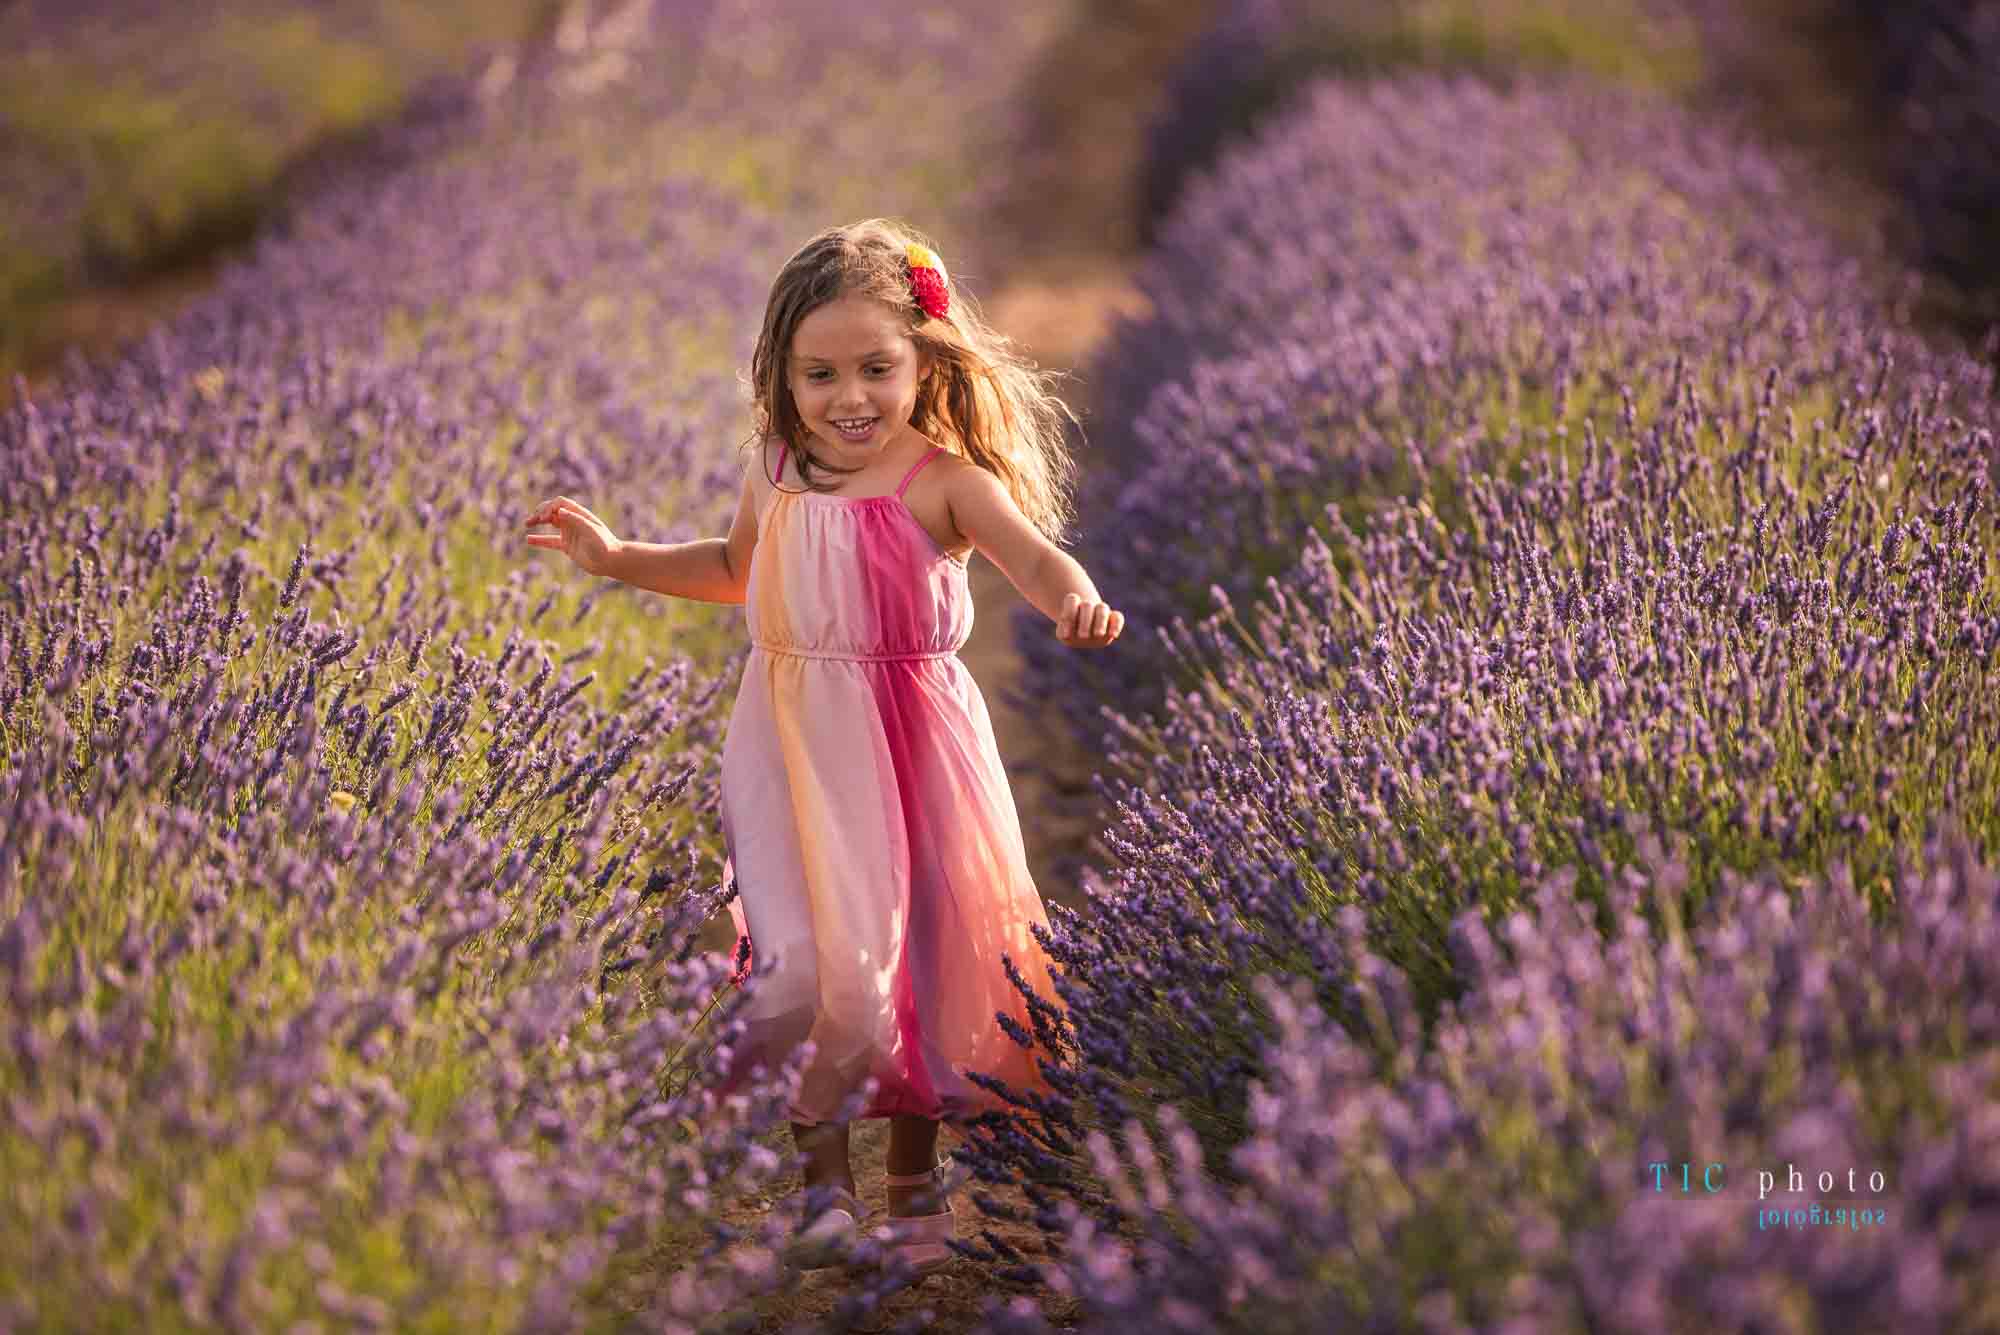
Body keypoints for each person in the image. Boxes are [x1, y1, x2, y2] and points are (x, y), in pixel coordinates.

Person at [522, 218, 1123, 1275]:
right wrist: (615, 557)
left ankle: (907, 1182)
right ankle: (817, 1184)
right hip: (790, 745)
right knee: (801, 963)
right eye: (821, 374)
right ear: (782, 375)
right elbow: (732, 568)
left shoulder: (942, 480)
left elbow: (1037, 560)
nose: (850, 396)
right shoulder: (773, 468)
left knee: (909, 962)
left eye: (876, 370)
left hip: (911, 754)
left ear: (921, 363)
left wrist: (1078, 603)